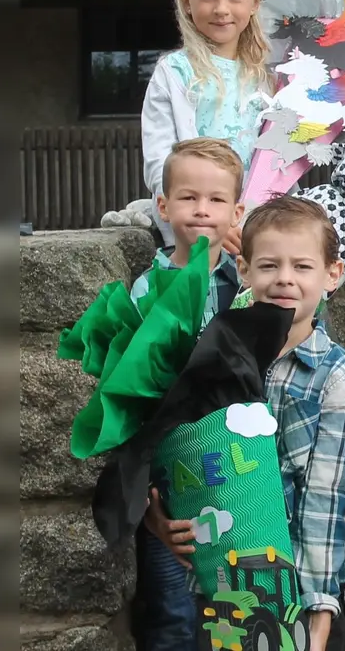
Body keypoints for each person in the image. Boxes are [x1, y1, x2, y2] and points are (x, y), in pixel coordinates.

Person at [147, 195, 345, 651]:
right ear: (244, 269)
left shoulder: (338, 378)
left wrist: (319, 612)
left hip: (301, 593)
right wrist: (159, 516)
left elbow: (325, 508)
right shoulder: (212, 355)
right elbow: (179, 454)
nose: (285, 278)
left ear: (332, 274)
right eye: (269, 265)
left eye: (302, 266)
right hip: (220, 589)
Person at [131, 137, 246, 650]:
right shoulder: (145, 290)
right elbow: (132, 393)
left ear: (237, 210)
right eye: (188, 198)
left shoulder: (248, 283)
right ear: (163, 205)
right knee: (171, 611)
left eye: (217, 200)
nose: (202, 210)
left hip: (237, 469)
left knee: (238, 606)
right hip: (167, 479)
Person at [140, 0, 276, 253]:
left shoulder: (269, 77)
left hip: (256, 224)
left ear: (255, 2)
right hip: (196, 226)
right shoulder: (174, 74)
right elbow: (159, 162)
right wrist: (211, 219)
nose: (221, 9)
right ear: (186, 0)